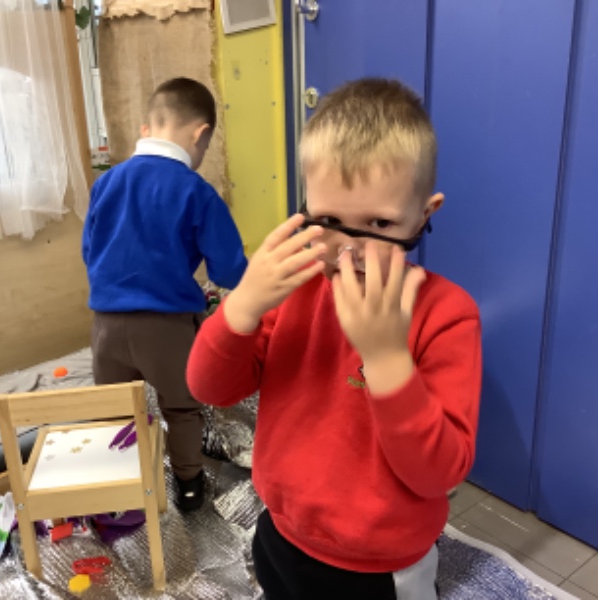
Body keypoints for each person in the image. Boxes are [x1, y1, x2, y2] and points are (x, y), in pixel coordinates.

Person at [186, 78, 482, 598]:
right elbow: (211, 387)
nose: (350, 249)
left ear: (424, 215)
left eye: (379, 222)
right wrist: (242, 306)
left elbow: (440, 473)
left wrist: (386, 358)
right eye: (328, 220)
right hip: (281, 534)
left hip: (381, 567)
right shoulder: (297, 291)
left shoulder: (447, 315)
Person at [83, 77, 247, 512]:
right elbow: (229, 270)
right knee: (182, 408)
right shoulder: (196, 191)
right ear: (200, 134)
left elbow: (90, 251)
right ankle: (189, 485)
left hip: (105, 325)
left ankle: (120, 493)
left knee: (115, 411)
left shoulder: (107, 183)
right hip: (166, 327)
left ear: (147, 128)